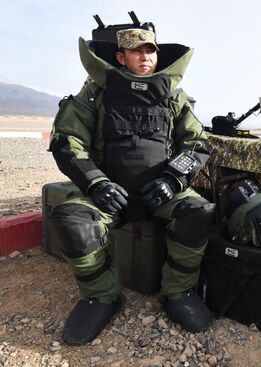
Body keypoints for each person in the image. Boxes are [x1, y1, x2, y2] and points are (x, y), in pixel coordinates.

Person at [48, 28, 215, 345]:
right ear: (120, 57)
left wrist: (172, 179)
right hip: (110, 194)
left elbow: (196, 145)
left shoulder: (174, 96)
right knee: (71, 218)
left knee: (197, 212)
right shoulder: (96, 93)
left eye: (150, 50)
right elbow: (69, 143)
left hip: (160, 194)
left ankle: (178, 291)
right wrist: (96, 183)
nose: (145, 56)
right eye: (136, 51)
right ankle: (102, 297)